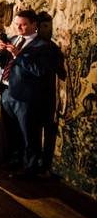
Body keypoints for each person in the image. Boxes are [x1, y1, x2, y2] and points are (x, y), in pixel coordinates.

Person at [0, 9, 59, 178]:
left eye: (23, 25)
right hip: (7, 92)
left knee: (29, 134)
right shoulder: (13, 39)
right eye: (16, 24)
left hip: (26, 98)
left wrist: (18, 55)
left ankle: (30, 168)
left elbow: (40, 71)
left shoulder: (45, 46)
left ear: (34, 25)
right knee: (11, 131)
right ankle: (14, 160)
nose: (19, 28)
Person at [37, 12, 67, 176]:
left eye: (50, 26)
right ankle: (35, 164)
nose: (49, 30)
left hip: (50, 96)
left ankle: (46, 166)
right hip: (36, 95)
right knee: (34, 132)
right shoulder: (37, 46)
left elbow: (62, 73)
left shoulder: (52, 47)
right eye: (46, 26)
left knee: (49, 131)